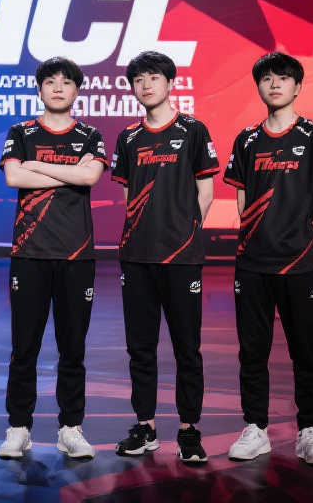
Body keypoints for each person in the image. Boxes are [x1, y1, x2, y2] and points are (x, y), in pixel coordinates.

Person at [223, 52, 313, 467]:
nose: (274, 84)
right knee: (252, 352)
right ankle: (255, 428)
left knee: (305, 352)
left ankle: (309, 431)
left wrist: (312, 242)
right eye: (267, 78)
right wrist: (255, 235)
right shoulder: (246, 139)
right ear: (258, 87)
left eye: (283, 78)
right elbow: (242, 197)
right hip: (253, 264)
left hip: (300, 264)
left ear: (297, 87)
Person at [111, 51, 219, 465]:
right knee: (140, 348)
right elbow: (129, 195)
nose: (146, 85)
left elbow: (205, 191)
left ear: (170, 83)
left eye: (153, 77)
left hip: (182, 258)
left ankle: (189, 430)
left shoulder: (193, 130)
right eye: (138, 79)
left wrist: (184, 232)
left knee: (187, 347)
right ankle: (146, 426)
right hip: (137, 258)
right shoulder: (128, 137)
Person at [0, 57, 107, 461]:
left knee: (72, 348)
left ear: (77, 90)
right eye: (51, 82)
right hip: (29, 255)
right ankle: (18, 428)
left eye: (66, 82)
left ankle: (70, 428)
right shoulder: (21, 131)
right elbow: (14, 177)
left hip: (77, 257)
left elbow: (90, 177)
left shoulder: (90, 134)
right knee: (23, 347)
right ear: (40, 89)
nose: (58, 88)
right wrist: (68, 170)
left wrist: (37, 165)